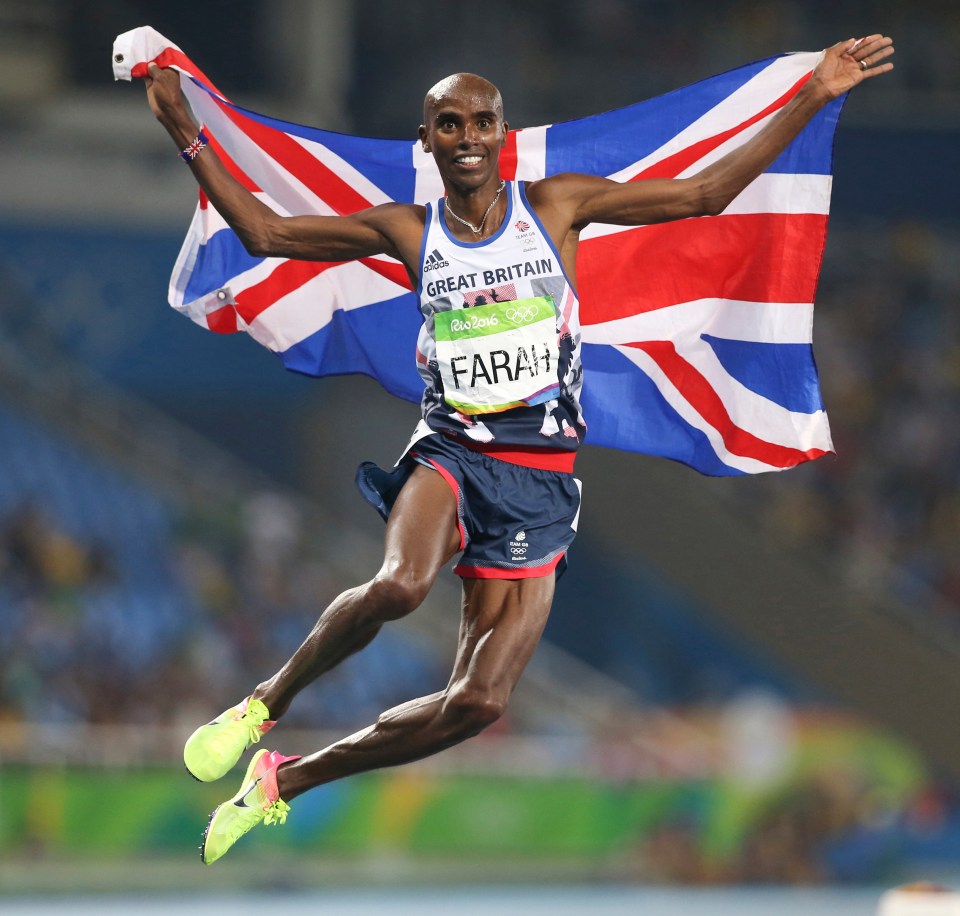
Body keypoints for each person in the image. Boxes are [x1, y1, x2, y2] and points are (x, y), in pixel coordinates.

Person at [143, 34, 894, 864]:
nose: (467, 137)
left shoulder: (559, 205)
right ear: (428, 141)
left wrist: (813, 95)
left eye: (482, 122)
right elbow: (265, 232)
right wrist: (187, 131)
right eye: (449, 124)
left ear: (503, 134)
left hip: (541, 476)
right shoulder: (406, 227)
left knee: (480, 703)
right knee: (399, 585)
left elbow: (703, 194)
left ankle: (282, 781)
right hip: (453, 449)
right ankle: (261, 706)